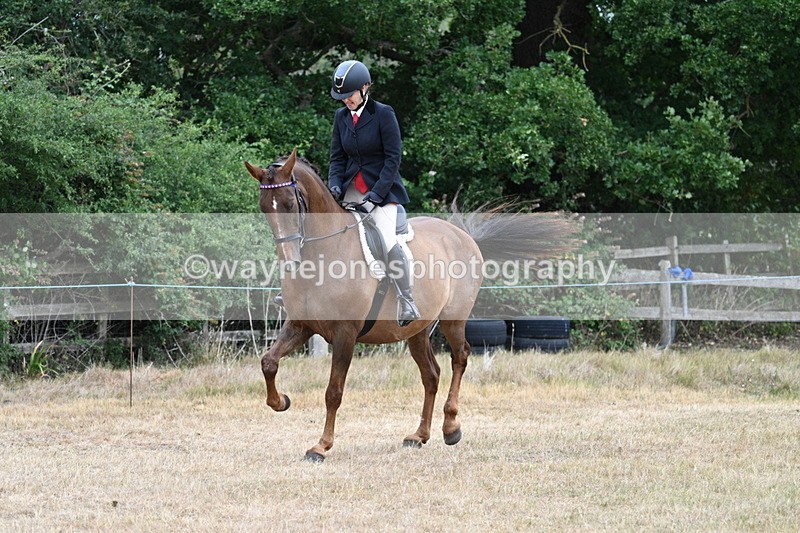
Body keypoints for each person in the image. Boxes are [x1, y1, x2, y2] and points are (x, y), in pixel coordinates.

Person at [327, 59, 420, 327]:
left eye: (350, 95)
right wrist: (335, 184)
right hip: (349, 191)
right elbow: (337, 158)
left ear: (365, 87)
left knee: (387, 238)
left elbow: (393, 158)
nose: (346, 101)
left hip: (383, 192)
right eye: (341, 97)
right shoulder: (341, 117)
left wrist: (376, 196)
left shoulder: (383, 114)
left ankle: (407, 299)